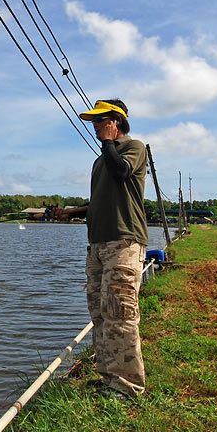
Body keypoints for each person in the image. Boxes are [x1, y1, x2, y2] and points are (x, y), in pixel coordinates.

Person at [54, 99, 148, 401]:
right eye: (94, 122)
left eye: (100, 121)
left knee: (121, 312)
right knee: (101, 313)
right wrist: (71, 212)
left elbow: (121, 173)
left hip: (123, 242)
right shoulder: (100, 162)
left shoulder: (133, 148)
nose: (95, 126)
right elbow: (101, 202)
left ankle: (128, 386)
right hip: (97, 245)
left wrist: (109, 141)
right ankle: (109, 377)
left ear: (115, 121)